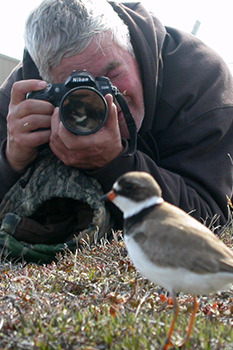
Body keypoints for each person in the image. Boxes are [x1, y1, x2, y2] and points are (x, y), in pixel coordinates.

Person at [0, 0, 232, 234]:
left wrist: (115, 162)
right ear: (49, 81)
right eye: (80, 90)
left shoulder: (200, 82)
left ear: (132, 48)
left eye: (111, 75)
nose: (106, 99)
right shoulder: (26, 94)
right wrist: (11, 160)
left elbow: (211, 220)